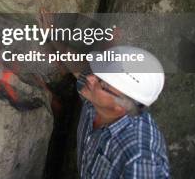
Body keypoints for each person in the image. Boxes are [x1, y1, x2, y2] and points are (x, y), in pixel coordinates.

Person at [73, 45, 170, 178]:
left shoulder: (139, 159)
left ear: (121, 105)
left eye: (102, 83)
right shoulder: (98, 97)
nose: (90, 78)